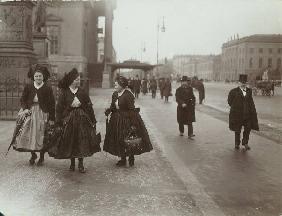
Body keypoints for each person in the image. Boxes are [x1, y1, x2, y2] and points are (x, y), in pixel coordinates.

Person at [51, 68, 100, 173]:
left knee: (81, 141)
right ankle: (72, 163)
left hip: (82, 121)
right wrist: (69, 108)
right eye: (76, 79)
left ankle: (81, 164)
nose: (78, 81)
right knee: (70, 141)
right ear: (71, 81)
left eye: (79, 79)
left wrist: (93, 120)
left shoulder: (82, 92)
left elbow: (89, 106)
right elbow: (59, 109)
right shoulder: (64, 92)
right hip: (68, 121)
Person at [103, 76, 153, 167]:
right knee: (119, 139)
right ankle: (122, 159)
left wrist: (133, 124)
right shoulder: (114, 94)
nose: (115, 86)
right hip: (116, 120)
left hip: (127, 120)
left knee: (129, 139)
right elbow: (113, 106)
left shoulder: (128, 95)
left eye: (116, 84)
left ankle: (131, 157)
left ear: (121, 86)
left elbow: (132, 110)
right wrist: (109, 110)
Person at [12, 64, 55, 166]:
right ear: (33, 77)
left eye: (40, 76)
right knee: (29, 133)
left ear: (43, 76)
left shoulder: (47, 88)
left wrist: (52, 117)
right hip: (30, 111)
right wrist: (26, 108)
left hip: (42, 113)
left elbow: (52, 103)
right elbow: (23, 99)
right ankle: (33, 154)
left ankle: (41, 157)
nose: (38, 78)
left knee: (41, 135)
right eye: (36, 76)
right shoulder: (29, 86)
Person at [228, 74, 259, 150]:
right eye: (242, 82)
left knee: (247, 129)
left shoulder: (249, 91)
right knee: (237, 130)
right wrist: (236, 108)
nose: (243, 84)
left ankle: (245, 143)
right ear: (239, 83)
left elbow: (250, 101)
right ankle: (237, 144)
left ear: (246, 83)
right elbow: (229, 102)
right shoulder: (233, 91)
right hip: (238, 114)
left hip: (247, 115)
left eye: (244, 82)